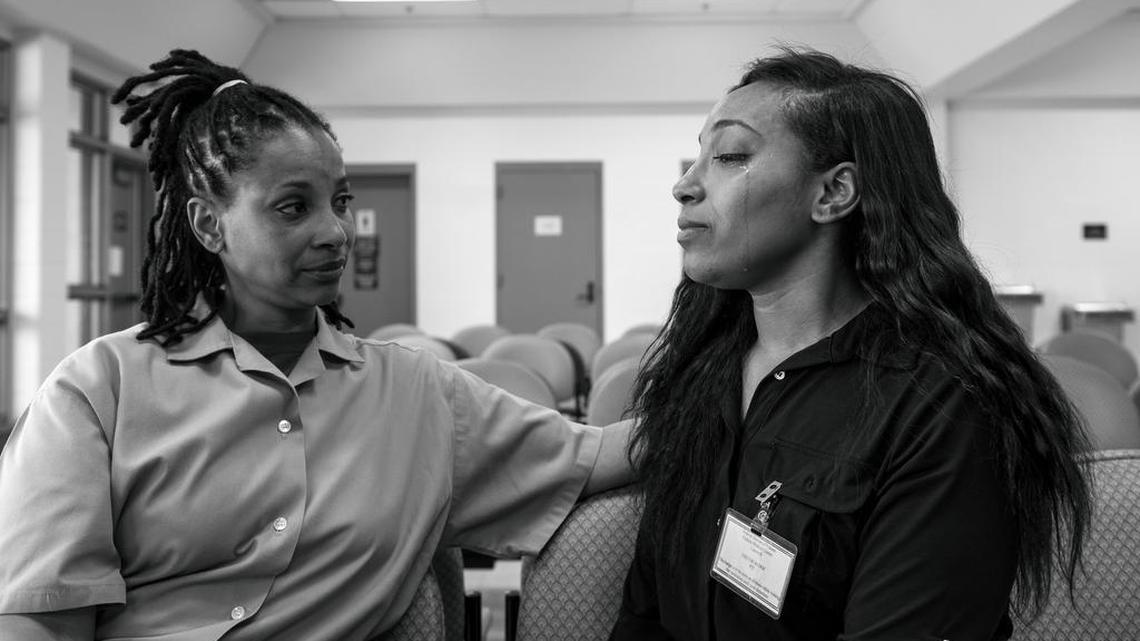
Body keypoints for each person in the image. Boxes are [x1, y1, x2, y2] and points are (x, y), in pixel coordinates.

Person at [0, 49, 631, 641]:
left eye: (341, 201)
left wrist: (729, 375)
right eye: (293, 207)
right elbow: (40, 621)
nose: (335, 232)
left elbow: (597, 454)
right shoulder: (95, 391)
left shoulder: (417, 393)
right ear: (208, 225)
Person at [610, 48, 1092, 641]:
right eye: (699, 157)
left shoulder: (945, 408)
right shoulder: (701, 376)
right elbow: (645, 617)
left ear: (834, 192)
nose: (684, 186)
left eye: (730, 156)